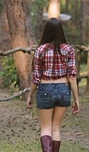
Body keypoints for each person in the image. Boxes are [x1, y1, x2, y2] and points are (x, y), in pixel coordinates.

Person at [26, 18, 80, 152]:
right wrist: (76, 99)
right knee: (56, 127)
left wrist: (30, 95)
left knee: (45, 128)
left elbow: (36, 77)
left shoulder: (40, 50)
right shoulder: (69, 50)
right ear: (61, 31)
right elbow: (72, 77)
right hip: (63, 89)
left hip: (45, 89)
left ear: (46, 31)